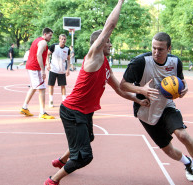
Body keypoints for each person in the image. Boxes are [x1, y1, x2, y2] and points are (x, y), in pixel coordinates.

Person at [43, 1, 147, 184]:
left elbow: (120, 89)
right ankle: (53, 180)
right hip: (73, 110)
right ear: (99, 44)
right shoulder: (94, 56)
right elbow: (110, 25)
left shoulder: (105, 64)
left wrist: (138, 100)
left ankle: (61, 161)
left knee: (88, 137)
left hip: (83, 111)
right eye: (108, 41)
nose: (110, 43)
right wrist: (121, 2)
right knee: (84, 157)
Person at [120, 32, 193, 185]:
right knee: (168, 150)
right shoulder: (140, 62)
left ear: (169, 48)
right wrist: (141, 91)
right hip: (145, 111)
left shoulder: (175, 62)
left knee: (183, 135)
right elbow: (123, 85)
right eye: (154, 48)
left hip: (167, 106)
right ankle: (187, 163)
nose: (156, 52)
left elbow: (181, 80)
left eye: (160, 49)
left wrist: (185, 87)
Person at [20, 28, 55, 119]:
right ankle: (42, 112)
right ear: (45, 34)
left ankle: (24, 107)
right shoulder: (43, 42)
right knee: (42, 88)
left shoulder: (37, 40)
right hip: (35, 67)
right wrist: (43, 70)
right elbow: (38, 54)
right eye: (50, 35)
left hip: (31, 66)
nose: (51, 37)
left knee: (34, 87)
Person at [47, 34, 70, 108]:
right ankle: (51, 101)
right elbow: (47, 55)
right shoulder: (54, 46)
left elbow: (68, 59)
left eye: (64, 39)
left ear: (66, 40)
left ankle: (64, 101)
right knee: (51, 85)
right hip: (53, 69)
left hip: (62, 70)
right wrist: (48, 64)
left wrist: (67, 69)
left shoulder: (67, 49)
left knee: (63, 86)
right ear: (59, 39)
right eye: (62, 39)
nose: (63, 40)